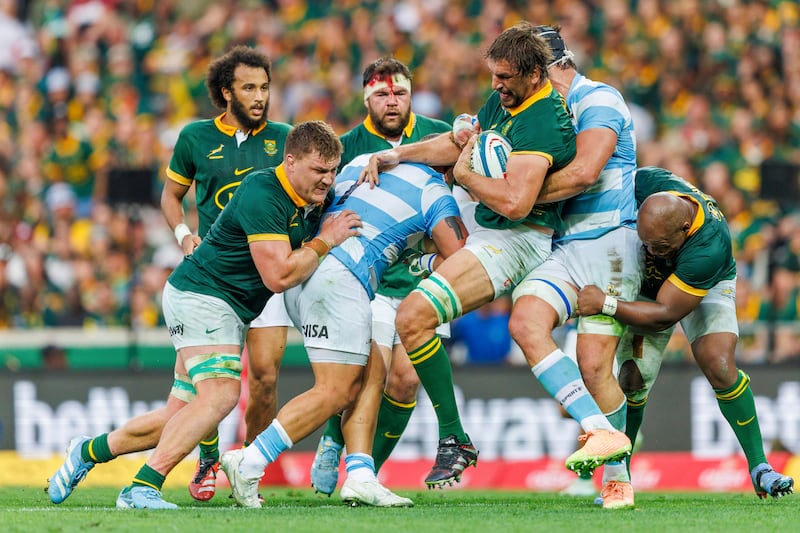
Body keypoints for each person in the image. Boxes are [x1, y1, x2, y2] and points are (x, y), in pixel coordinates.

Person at [47, 121, 362, 509]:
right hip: (205, 297)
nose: (327, 180)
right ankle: (143, 486)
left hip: (213, 301)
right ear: (291, 161)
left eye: (332, 171)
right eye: (319, 170)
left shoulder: (304, 197)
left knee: (178, 416)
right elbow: (279, 276)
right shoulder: (265, 193)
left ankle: (87, 451)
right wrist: (326, 239)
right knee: (222, 394)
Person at [363, 22, 620, 489]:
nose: (496, 85)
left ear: (536, 73)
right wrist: (400, 155)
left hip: (515, 238)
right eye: (493, 75)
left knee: (413, 317)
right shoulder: (507, 100)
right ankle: (599, 427)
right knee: (521, 326)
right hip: (492, 231)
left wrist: (463, 176)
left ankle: (455, 439)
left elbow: (515, 202)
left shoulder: (544, 118)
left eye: (505, 77)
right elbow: (456, 143)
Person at [220, 154, 467, 508]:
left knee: (372, 371)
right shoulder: (434, 189)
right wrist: (423, 258)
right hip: (343, 276)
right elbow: (460, 257)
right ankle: (251, 459)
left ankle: (361, 475)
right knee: (335, 391)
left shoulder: (364, 163)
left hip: (310, 268)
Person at [576, 166, 795, 500]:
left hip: (702, 285)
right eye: (645, 242)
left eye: (660, 245)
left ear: (683, 228)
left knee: (718, 362)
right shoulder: (644, 182)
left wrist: (606, 304)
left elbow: (664, 315)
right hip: (648, 284)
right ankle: (620, 476)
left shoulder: (710, 245)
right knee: (631, 379)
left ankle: (760, 467)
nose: (651, 251)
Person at [505, 25, 640, 509]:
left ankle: (618, 477)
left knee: (592, 363)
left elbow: (585, 172)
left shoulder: (600, 98)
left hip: (611, 244)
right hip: (564, 248)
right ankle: (600, 430)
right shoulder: (541, 111)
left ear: (546, 69)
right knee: (524, 321)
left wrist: (515, 195)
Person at [309, 57, 454, 496]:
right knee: (362, 376)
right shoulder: (346, 145)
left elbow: (460, 172)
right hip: (366, 280)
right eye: (381, 94)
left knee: (406, 381)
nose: (392, 101)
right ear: (365, 98)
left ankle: (367, 471)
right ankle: (334, 441)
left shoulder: (437, 135)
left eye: (401, 93)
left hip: (421, 280)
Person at [160, 44, 294, 501]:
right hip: (212, 277)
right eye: (249, 88)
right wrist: (183, 236)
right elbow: (170, 196)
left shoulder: (284, 138)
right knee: (213, 383)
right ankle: (208, 458)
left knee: (264, 378)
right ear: (226, 92)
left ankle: (247, 465)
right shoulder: (195, 138)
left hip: (266, 272)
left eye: (264, 87)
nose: (260, 97)